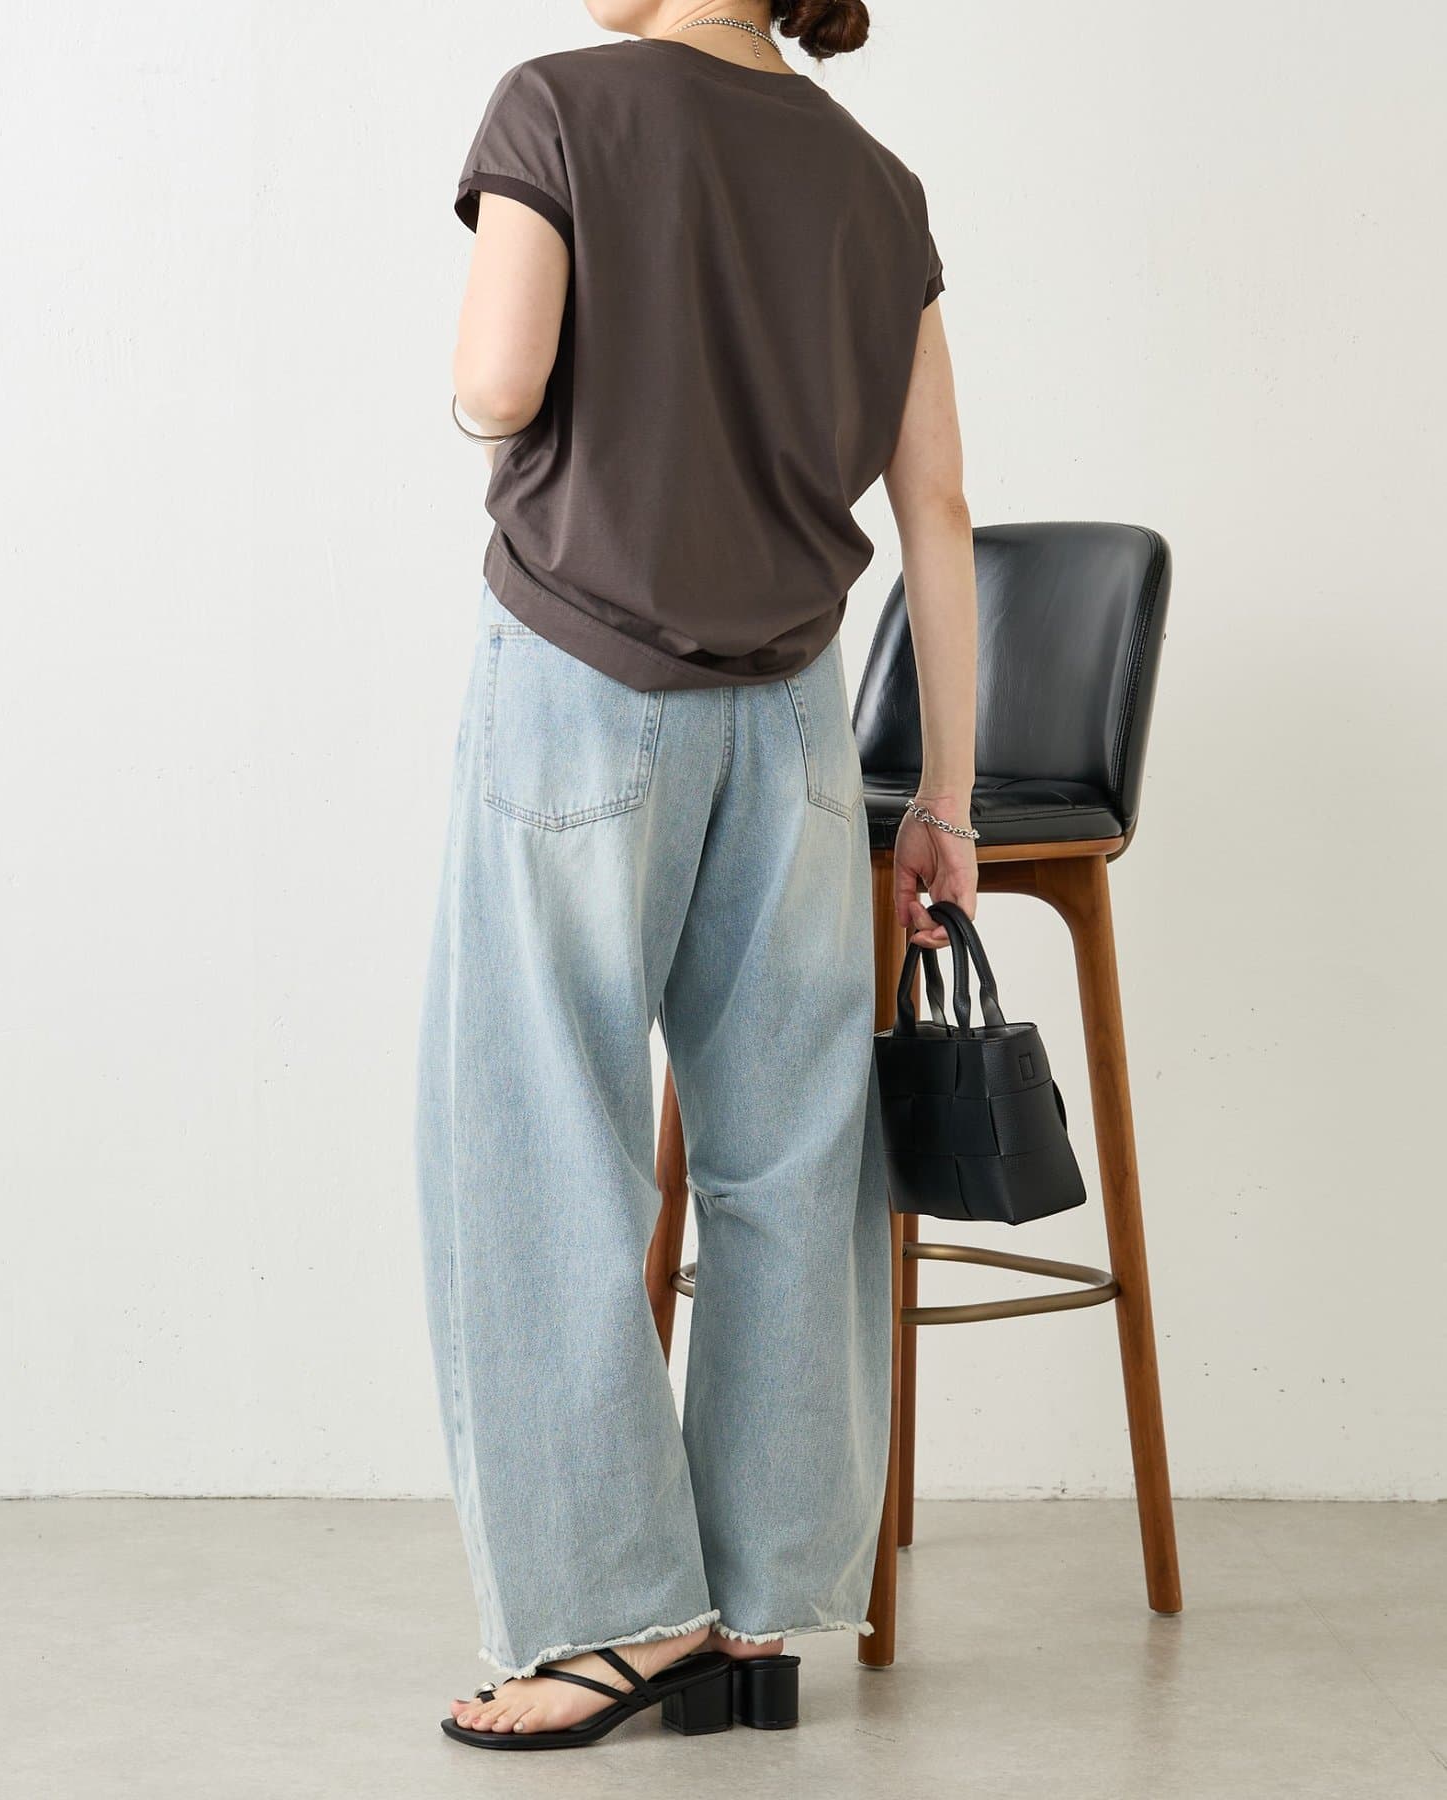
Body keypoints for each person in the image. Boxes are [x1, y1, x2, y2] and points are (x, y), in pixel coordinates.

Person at [416, 0, 978, 1750]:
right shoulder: (877, 185)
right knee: (793, 1157)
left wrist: (479, 400)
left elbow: (498, 384)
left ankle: (607, 1619)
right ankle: (760, 1614)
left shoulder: (558, 107)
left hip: (583, 688)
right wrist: (944, 802)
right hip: (800, 722)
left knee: (535, 1142)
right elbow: (937, 509)